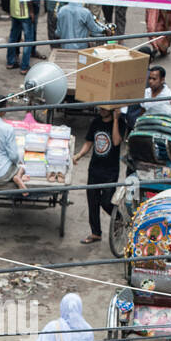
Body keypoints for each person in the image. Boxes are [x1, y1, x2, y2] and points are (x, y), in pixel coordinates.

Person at [74, 104, 124, 245]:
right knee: (93, 202)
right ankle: (96, 233)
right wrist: (79, 155)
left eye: (104, 108)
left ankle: (119, 219)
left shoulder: (120, 122)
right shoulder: (96, 122)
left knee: (106, 202)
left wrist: (115, 120)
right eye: (100, 108)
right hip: (95, 168)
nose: (101, 110)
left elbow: (115, 141)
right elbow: (89, 142)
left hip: (110, 170)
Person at [6, 0, 34, 73]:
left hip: (14, 9)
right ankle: (24, 67)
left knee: (13, 37)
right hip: (24, 11)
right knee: (28, 40)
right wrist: (31, 11)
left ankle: (10, 62)